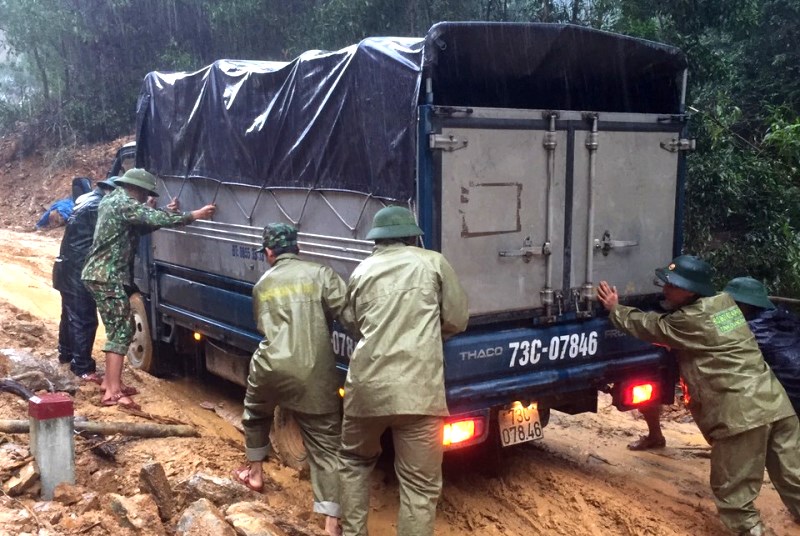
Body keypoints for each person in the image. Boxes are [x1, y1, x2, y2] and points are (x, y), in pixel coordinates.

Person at [597, 255, 800, 536]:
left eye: (673, 285)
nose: (665, 289)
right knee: (794, 477)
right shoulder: (724, 304)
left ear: (692, 291)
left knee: (735, 496)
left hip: (740, 415)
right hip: (775, 405)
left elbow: (648, 326)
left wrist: (614, 308)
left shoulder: (689, 320)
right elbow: (702, 339)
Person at [338, 206, 469, 536]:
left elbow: (351, 323)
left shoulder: (361, 270)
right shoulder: (433, 263)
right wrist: (422, 335)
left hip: (366, 390)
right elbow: (456, 319)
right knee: (419, 488)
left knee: (355, 462)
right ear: (413, 236)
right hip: (419, 392)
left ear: (377, 240)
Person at [233, 223, 347, 536]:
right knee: (326, 447)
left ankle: (254, 473)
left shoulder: (262, 284)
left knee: (255, 413)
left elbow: (262, 326)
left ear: (269, 252)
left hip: (269, 367)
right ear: (297, 248)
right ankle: (331, 523)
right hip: (313, 372)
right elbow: (349, 316)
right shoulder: (321, 274)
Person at [81, 168, 215, 409]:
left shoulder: (113, 199)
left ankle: (110, 384)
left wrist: (157, 211)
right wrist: (195, 214)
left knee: (122, 327)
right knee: (120, 332)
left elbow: (140, 225)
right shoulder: (125, 202)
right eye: (145, 194)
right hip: (107, 276)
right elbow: (149, 218)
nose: (146, 198)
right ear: (138, 189)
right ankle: (112, 392)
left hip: (101, 275)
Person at [53, 177, 117, 380]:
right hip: (78, 271)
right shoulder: (98, 207)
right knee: (84, 319)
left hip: (66, 267)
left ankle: (66, 354)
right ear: (110, 191)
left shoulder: (85, 201)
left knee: (70, 314)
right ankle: (82, 367)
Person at [724, 277, 800, 415]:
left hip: (790, 401)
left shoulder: (754, 330)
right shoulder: (784, 317)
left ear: (743, 305)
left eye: (730, 304)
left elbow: (715, 331)